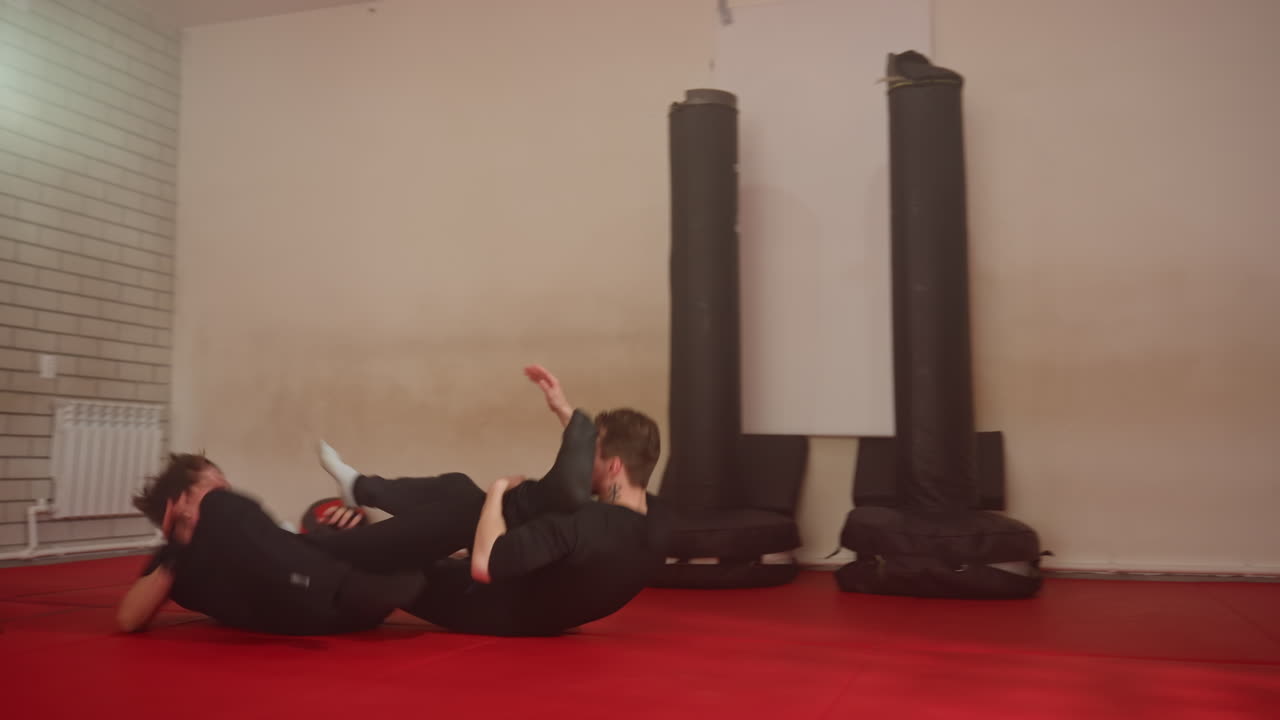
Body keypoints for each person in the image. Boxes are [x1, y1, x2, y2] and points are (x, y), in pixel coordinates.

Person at [309, 364, 667, 636]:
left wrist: (498, 489)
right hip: (528, 609)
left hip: (478, 603)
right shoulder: (650, 531)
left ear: (614, 466)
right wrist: (563, 409)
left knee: (464, 505)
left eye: (592, 453)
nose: (583, 459)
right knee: (458, 494)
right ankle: (358, 492)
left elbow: (484, 564)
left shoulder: (583, 524)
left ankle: (313, 546)